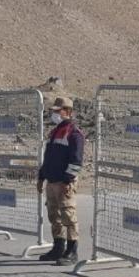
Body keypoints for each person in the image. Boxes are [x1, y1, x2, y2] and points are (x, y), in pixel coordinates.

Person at [37, 96, 86, 266]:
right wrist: (41, 176)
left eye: (58, 111)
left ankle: (72, 251)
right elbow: (48, 157)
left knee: (68, 216)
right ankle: (58, 247)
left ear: (68, 112)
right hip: (51, 181)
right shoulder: (54, 132)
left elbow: (76, 161)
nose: (55, 114)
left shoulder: (74, 134)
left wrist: (67, 181)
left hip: (64, 183)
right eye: (54, 111)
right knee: (54, 216)